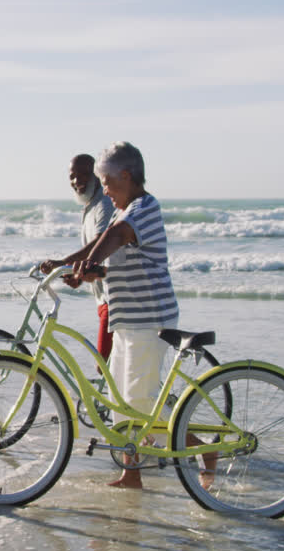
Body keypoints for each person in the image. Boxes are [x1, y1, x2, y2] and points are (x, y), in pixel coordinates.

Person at [42, 141, 216, 489]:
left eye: (106, 182)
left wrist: (83, 265)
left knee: (140, 402)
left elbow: (118, 237)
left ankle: (204, 451)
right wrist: (74, 267)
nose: (103, 190)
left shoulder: (144, 208)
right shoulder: (125, 210)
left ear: (125, 176)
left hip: (148, 319)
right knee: (121, 401)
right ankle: (131, 473)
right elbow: (111, 251)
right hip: (128, 318)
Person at [39, 154, 115, 360]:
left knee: (106, 366)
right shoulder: (90, 206)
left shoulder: (105, 204)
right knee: (111, 368)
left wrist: (64, 263)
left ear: (97, 175)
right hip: (103, 296)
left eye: (84, 175)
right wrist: (79, 276)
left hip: (115, 298)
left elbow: (100, 243)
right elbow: (96, 256)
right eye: (73, 176)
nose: (77, 181)